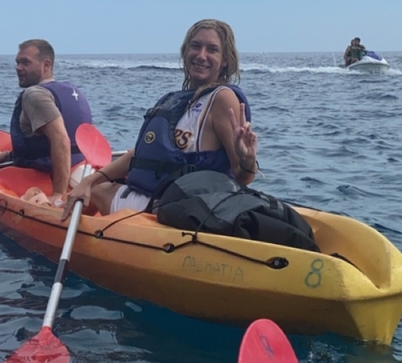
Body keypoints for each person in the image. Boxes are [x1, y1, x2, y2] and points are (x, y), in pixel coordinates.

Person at [62, 19, 257, 219]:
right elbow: (139, 156)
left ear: (225, 60)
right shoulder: (175, 100)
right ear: (185, 51)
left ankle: (65, 217)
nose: (201, 55)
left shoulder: (222, 98)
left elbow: (243, 177)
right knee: (92, 184)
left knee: (96, 191)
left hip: (175, 209)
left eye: (212, 50)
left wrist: (248, 159)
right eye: (195, 46)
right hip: (159, 200)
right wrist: (90, 180)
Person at [0, 39, 92, 207]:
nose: (18, 68)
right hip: (80, 168)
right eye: (17, 62)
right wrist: (7, 155)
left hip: (45, 175)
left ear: (46, 65)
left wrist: (58, 194)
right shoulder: (72, 90)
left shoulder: (34, 94)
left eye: (25, 62)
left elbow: (61, 140)